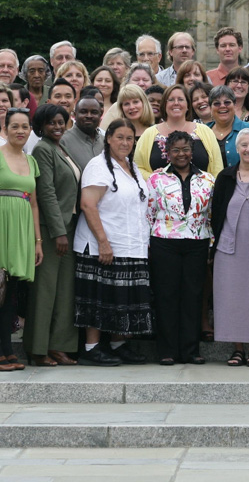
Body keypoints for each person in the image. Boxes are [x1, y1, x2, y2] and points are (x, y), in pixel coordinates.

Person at [74, 119, 153, 366]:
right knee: (99, 297)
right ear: (108, 138)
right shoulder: (98, 166)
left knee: (122, 299)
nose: (125, 143)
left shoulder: (131, 166)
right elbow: (88, 205)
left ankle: (118, 344)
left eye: (130, 138)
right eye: (120, 137)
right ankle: (91, 348)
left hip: (130, 244)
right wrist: (103, 242)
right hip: (103, 244)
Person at [0, 108, 42, 371]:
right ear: (6, 129)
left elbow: (34, 204)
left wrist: (37, 241)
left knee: (11, 292)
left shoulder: (30, 160)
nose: (20, 131)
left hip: (22, 228)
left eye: (25, 127)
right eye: (15, 126)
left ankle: (6, 349)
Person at [147, 130, 217, 365]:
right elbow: (149, 213)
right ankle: (167, 351)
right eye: (175, 150)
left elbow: (211, 215)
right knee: (166, 295)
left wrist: (211, 244)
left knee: (193, 296)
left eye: (186, 149)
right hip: (164, 242)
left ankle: (190, 350)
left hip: (197, 243)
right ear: (167, 152)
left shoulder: (207, 179)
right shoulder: (156, 179)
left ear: (192, 151)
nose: (181, 154)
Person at [26, 103, 81, 367]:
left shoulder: (61, 147)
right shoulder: (41, 149)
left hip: (70, 227)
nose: (58, 127)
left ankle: (59, 346)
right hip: (52, 230)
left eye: (61, 121)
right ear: (41, 126)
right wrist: (58, 232)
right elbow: (45, 192)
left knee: (65, 291)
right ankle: (38, 349)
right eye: (52, 123)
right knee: (45, 291)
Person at [135, 84, 222, 176]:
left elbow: (217, 168)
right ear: (164, 105)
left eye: (180, 99)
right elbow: (137, 168)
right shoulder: (149, 134)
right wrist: (156, 179)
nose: (176, 103)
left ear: (188, 105)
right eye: (171, 100)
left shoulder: (205, 131)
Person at [207, 85, 249, 168]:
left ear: (235, 105)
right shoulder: (204, 132)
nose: (222, 106)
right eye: (217, 103)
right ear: (210, 108)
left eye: (227, 102)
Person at [61, 96, 105, 171]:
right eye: (83, 112)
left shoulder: (105, 141)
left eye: (94, 112)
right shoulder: (63, 141)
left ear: (100, 115)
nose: (89, 116)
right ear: (75, 114)